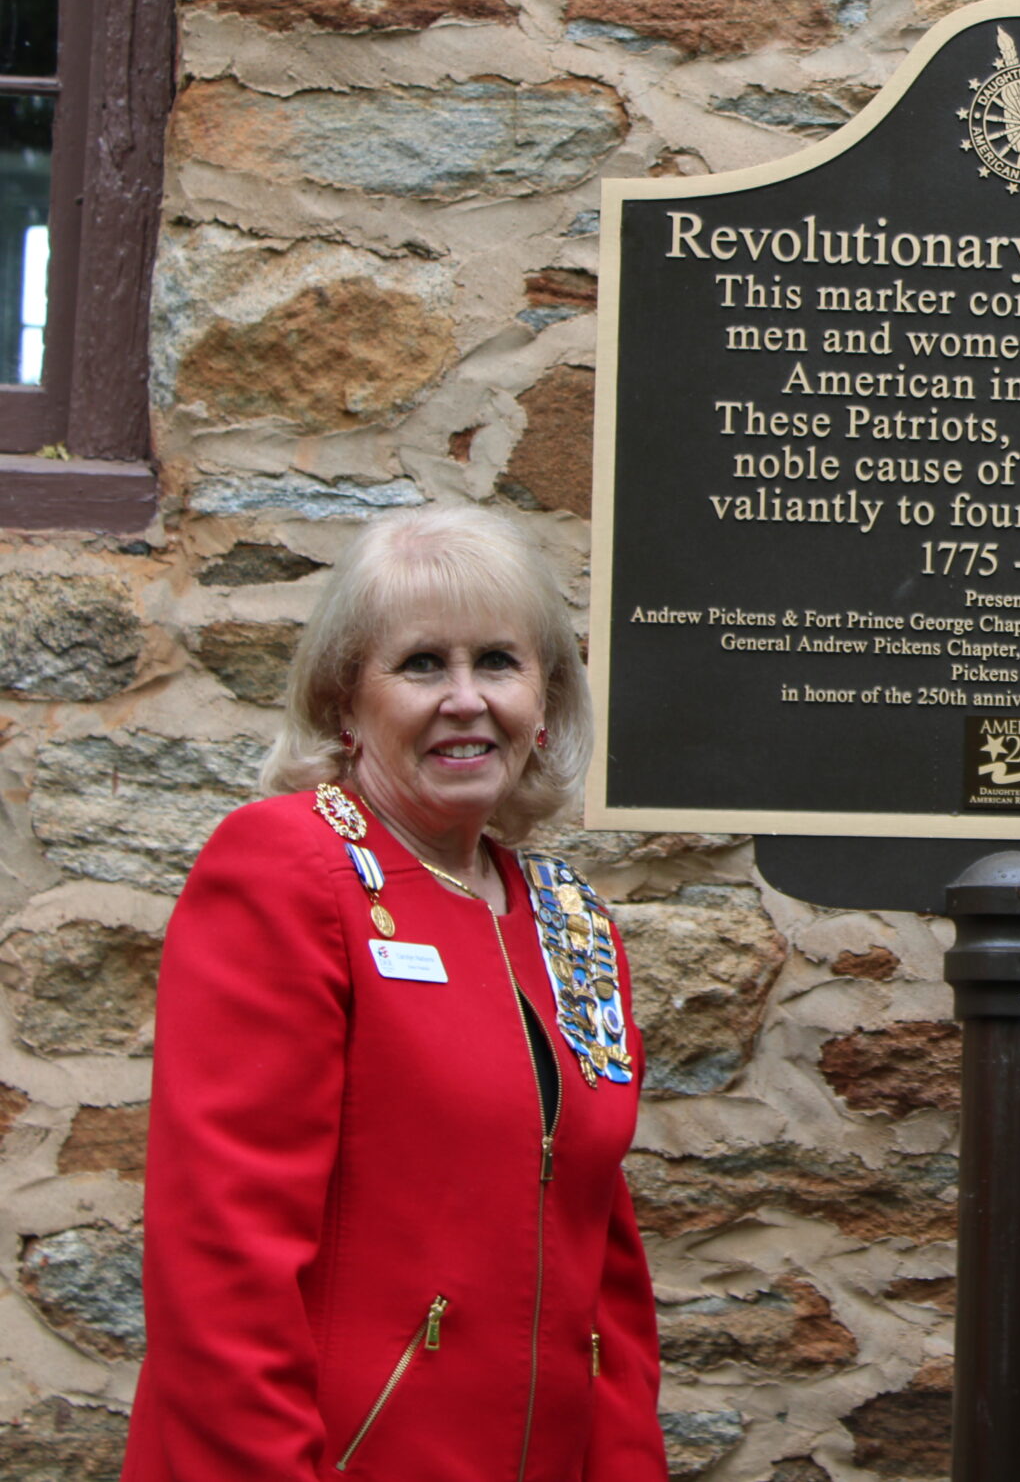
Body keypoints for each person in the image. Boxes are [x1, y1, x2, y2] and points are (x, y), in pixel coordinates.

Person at [122, 505, 667, 1482]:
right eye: (422, 665)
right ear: (343, 700)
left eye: (498, 662)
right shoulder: (287, 871)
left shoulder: (571, 922)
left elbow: (606, 1276)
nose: (466, 699)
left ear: (543, 700)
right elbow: (222, 1268)